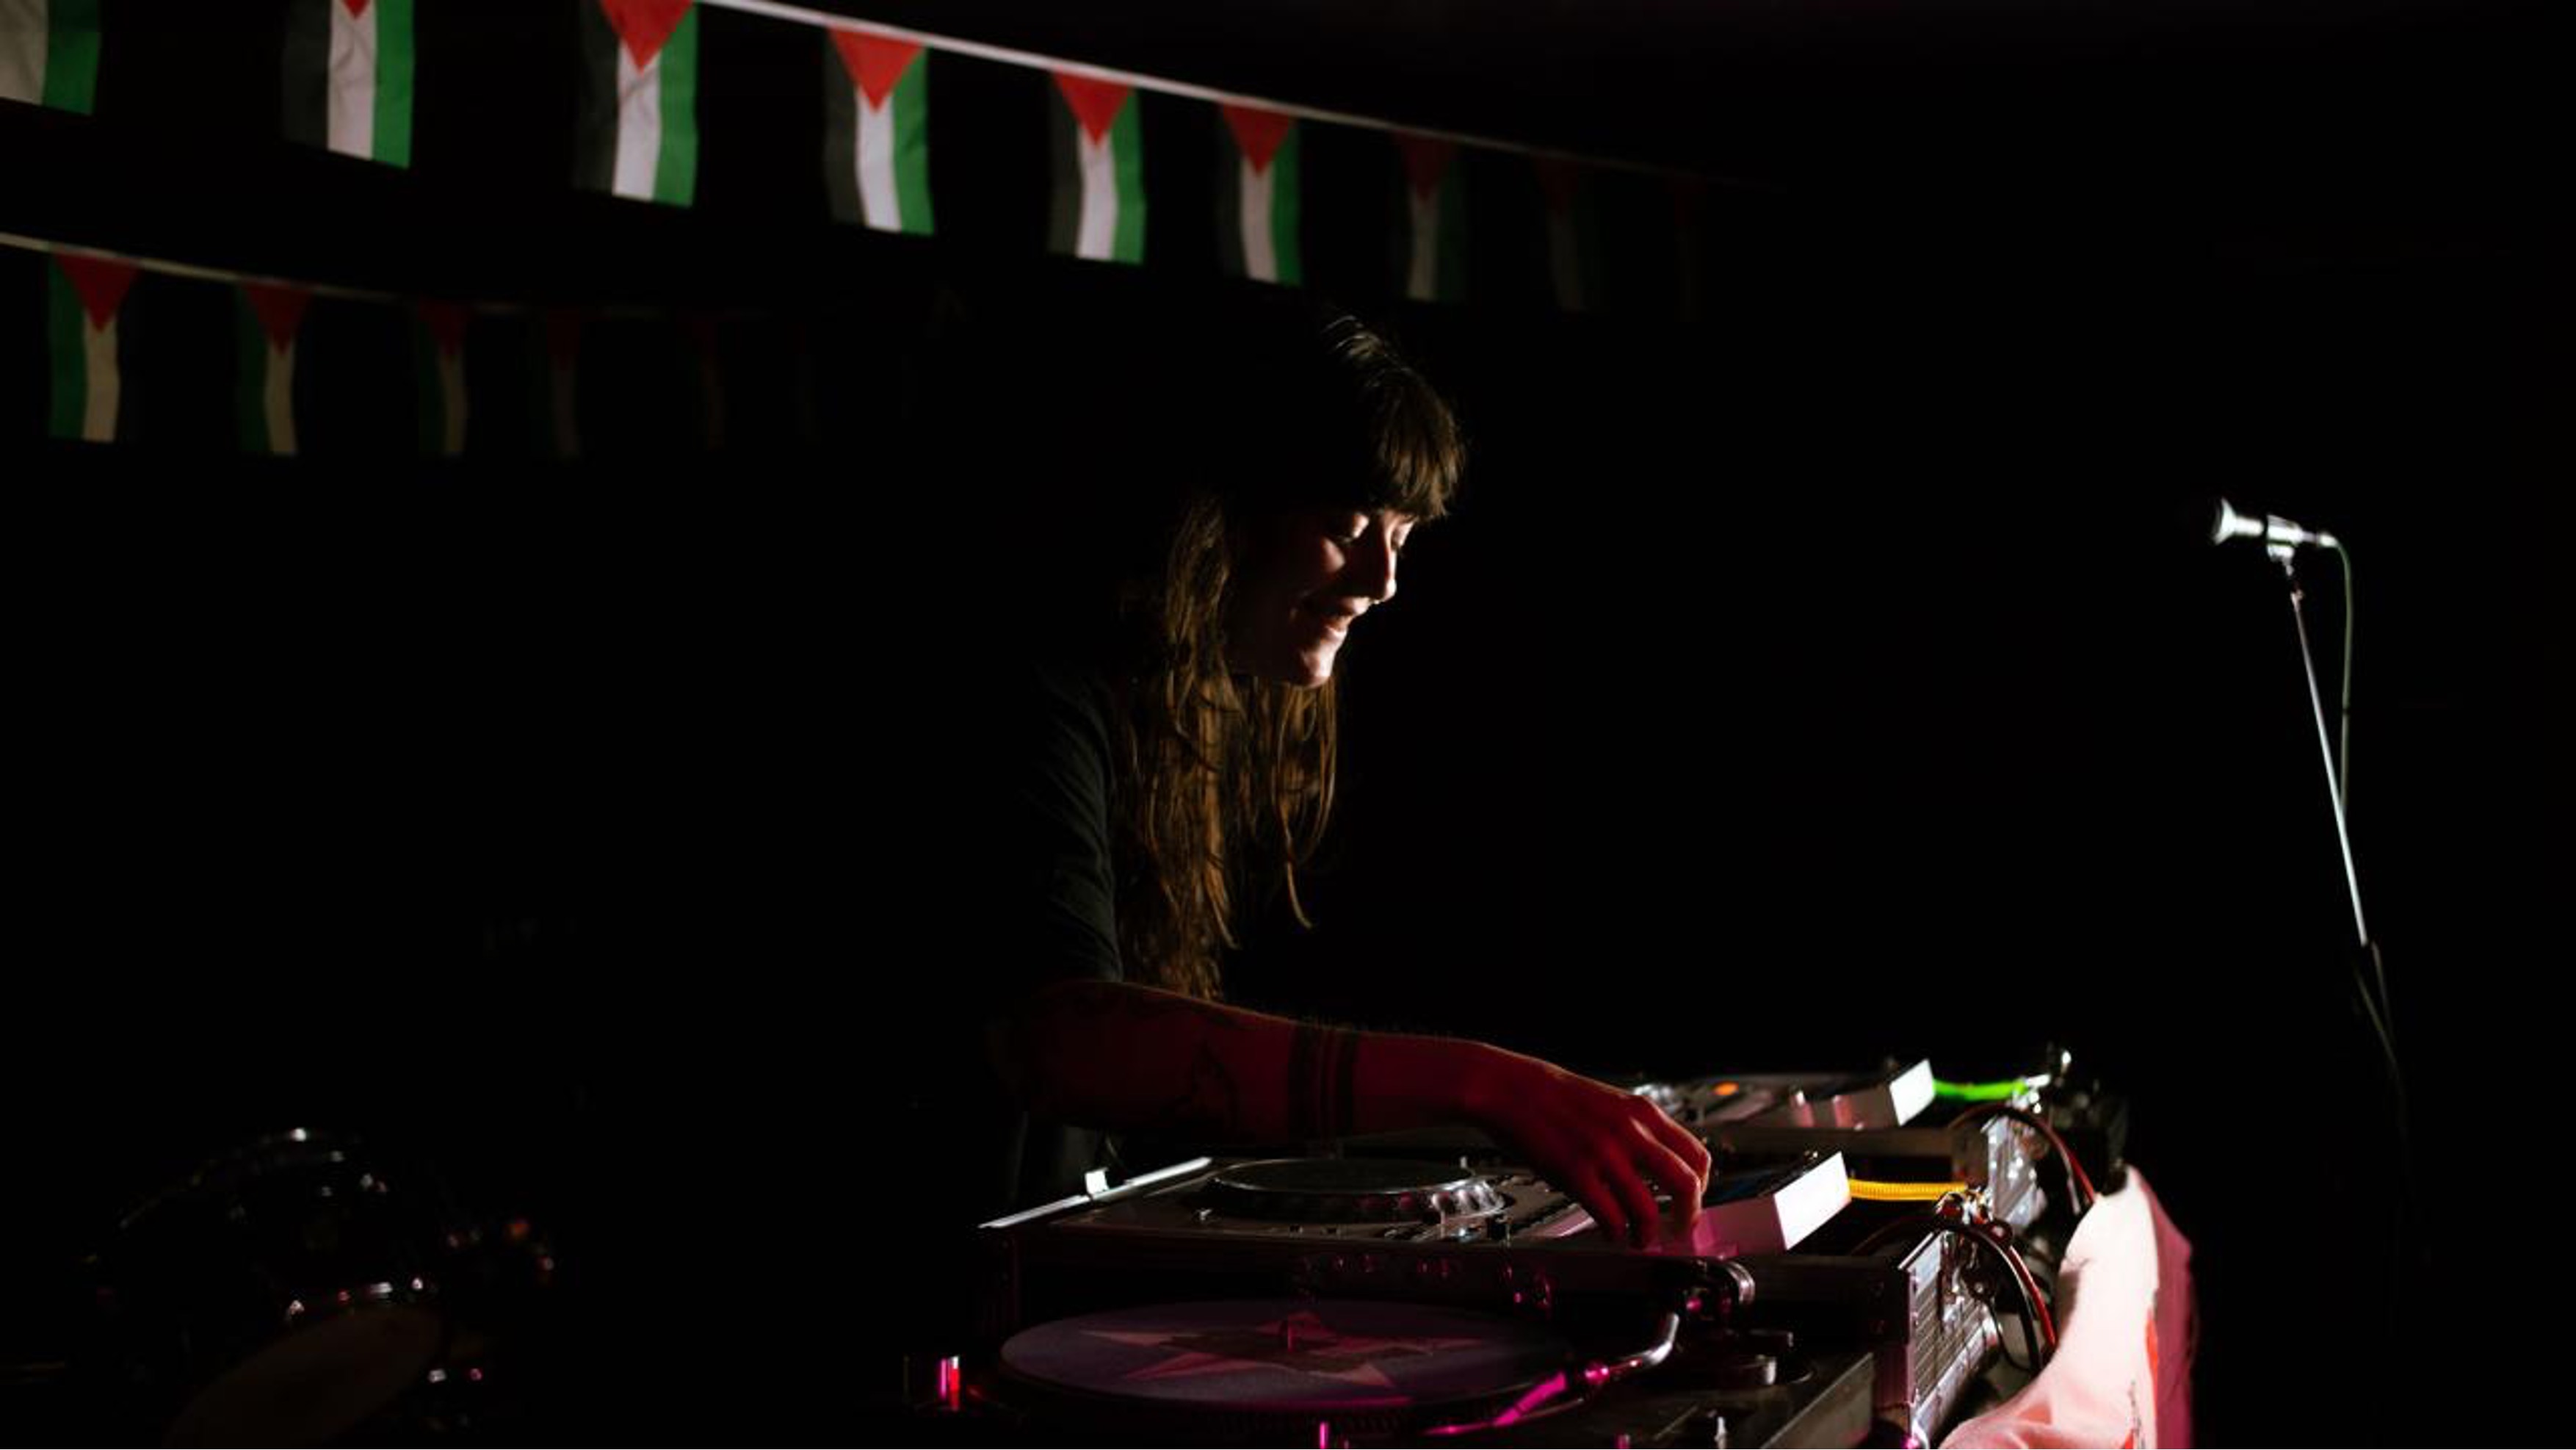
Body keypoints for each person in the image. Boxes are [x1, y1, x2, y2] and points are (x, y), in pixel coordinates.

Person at [931, 300, 1711, 1257]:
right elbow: (1061, 1039)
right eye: (1348, 523)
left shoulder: (1187, 703)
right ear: (1222, 517)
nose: (1384, 579)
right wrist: (1478, 1083)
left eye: (1403, 535)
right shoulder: (1034, 687)